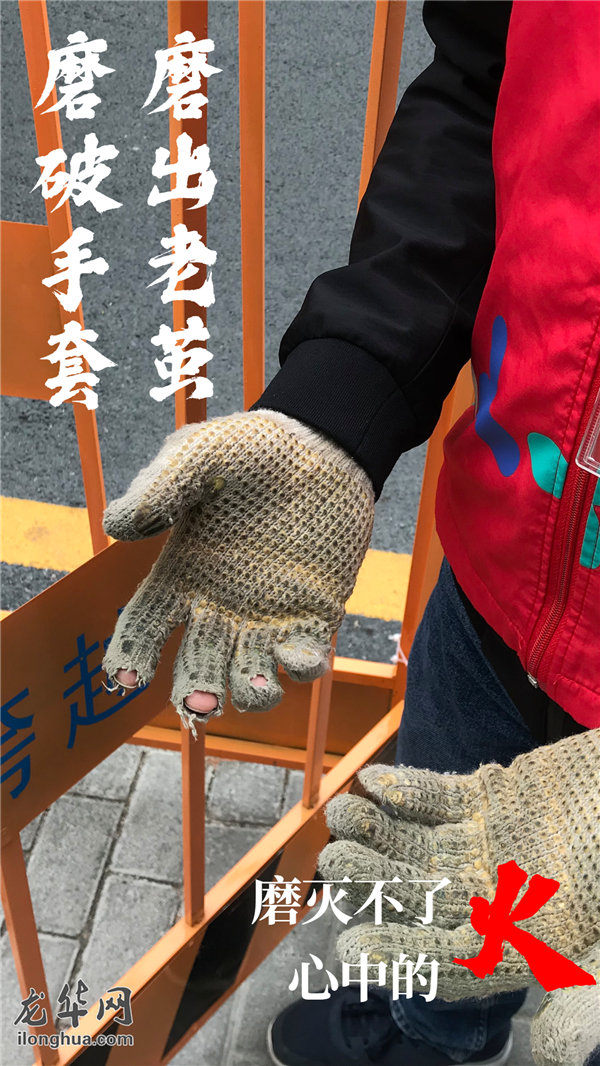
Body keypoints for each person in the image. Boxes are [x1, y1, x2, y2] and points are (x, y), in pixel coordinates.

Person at [102, 2, 600, 1062]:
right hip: (502, 569)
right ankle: (420, 1037)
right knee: (432, 911)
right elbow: (485, 84)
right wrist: (341, 401)